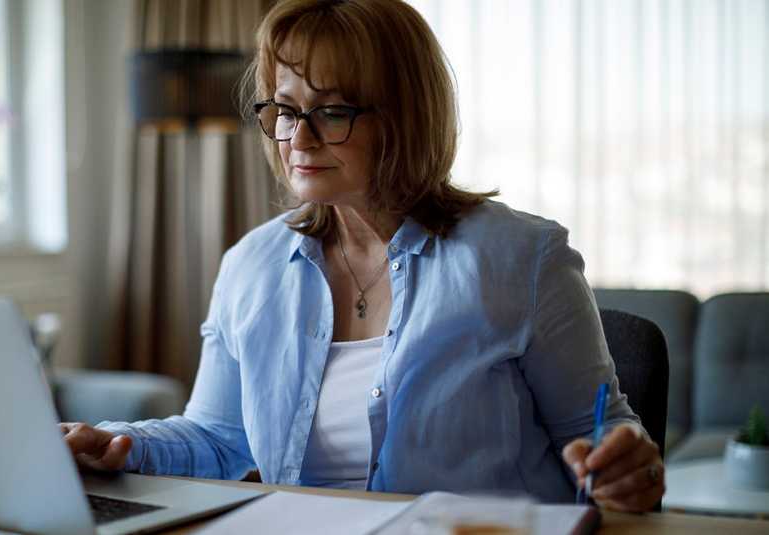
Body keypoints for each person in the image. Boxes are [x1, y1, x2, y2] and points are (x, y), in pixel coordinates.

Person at [61, 0, 665, 512]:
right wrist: (113, 441)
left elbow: (600, 433)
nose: (299, 137)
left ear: (404, 118)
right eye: (286, 109)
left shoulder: (522, 258)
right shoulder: (251, 264)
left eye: (330, 112)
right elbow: (220, 438)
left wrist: (626, 466)